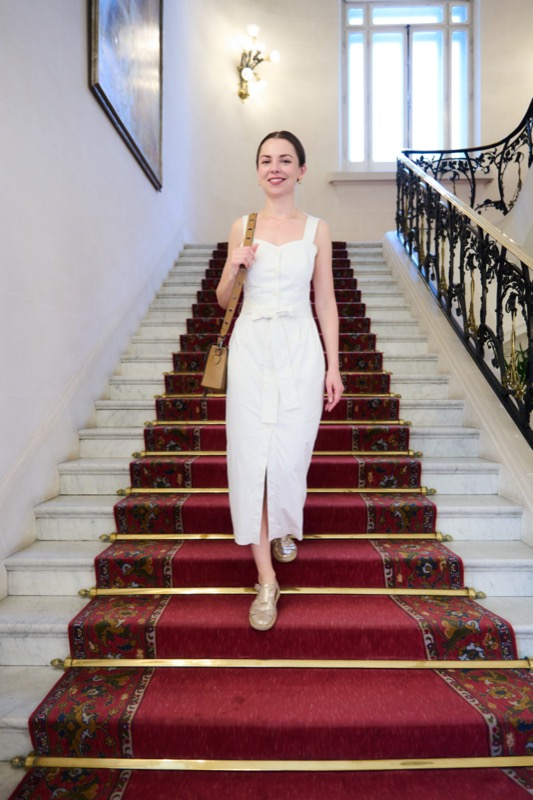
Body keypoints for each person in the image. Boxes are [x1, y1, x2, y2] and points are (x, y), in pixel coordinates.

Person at [216, 131, 344, 631]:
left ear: (301, 171)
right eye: (267, 160)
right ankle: (266, 580)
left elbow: (325, 300)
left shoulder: (317, 229)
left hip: (299, 349)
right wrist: (233, 266)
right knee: (253, 459)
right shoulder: (243, 226)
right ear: (258, 171)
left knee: (289, 457)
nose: (275, 167)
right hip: (251, 349)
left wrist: (333, 366)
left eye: (285, 160)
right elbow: (224, 300)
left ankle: (282, 526)